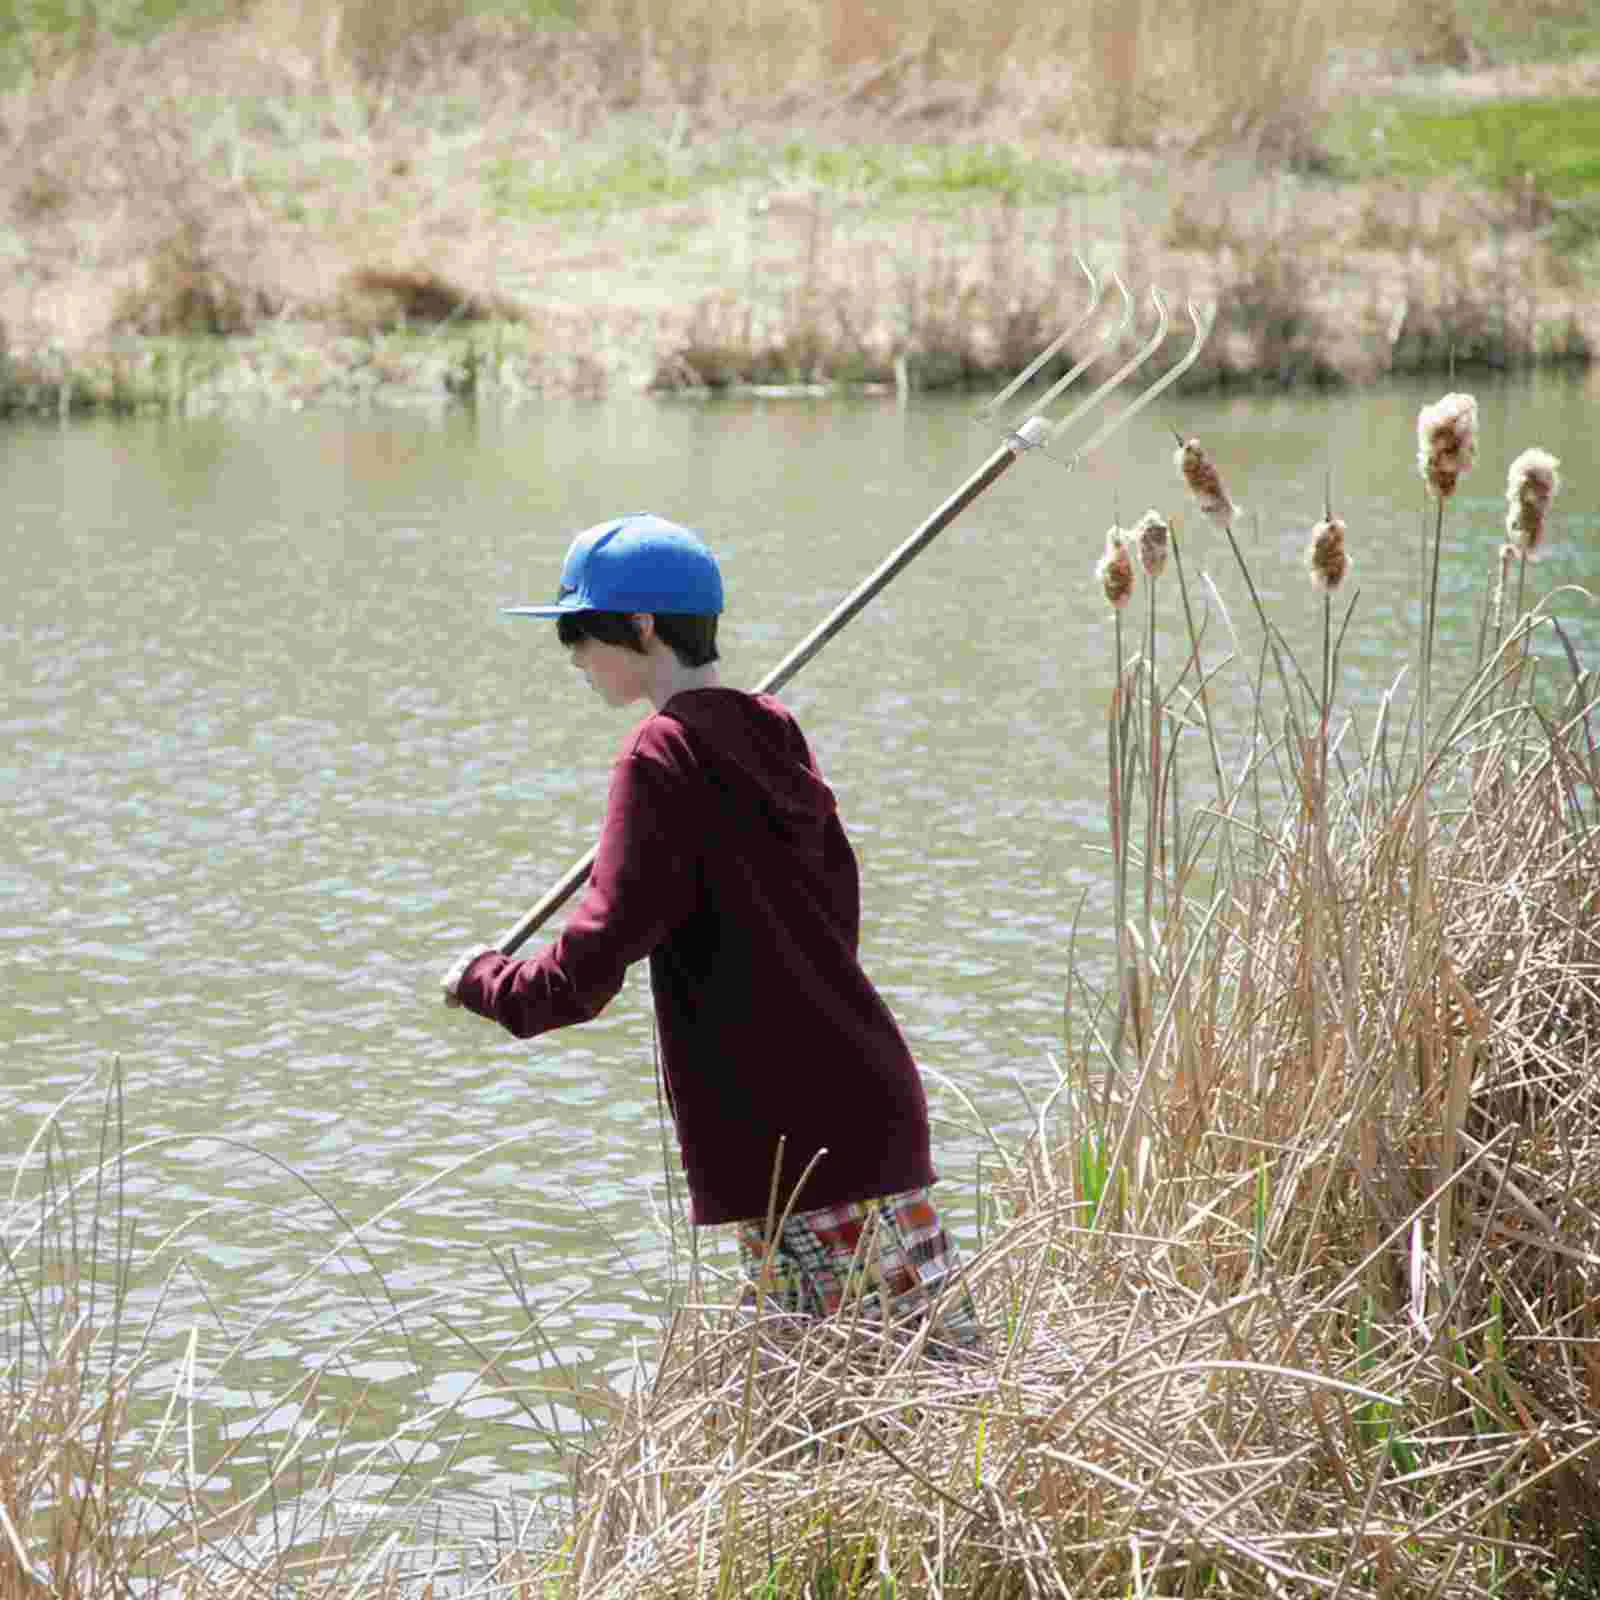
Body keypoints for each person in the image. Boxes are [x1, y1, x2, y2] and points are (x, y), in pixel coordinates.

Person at [441, 512, 979, 1353]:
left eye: (580, 634)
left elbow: (589, 964)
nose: (574, 658)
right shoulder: (772, 730)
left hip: (800, 1142)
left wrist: (486, 982)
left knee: (907, 1392)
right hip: (853, 1107)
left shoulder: (660, 756)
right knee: (828, 1401)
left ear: (643, 626)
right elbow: (839, 907)